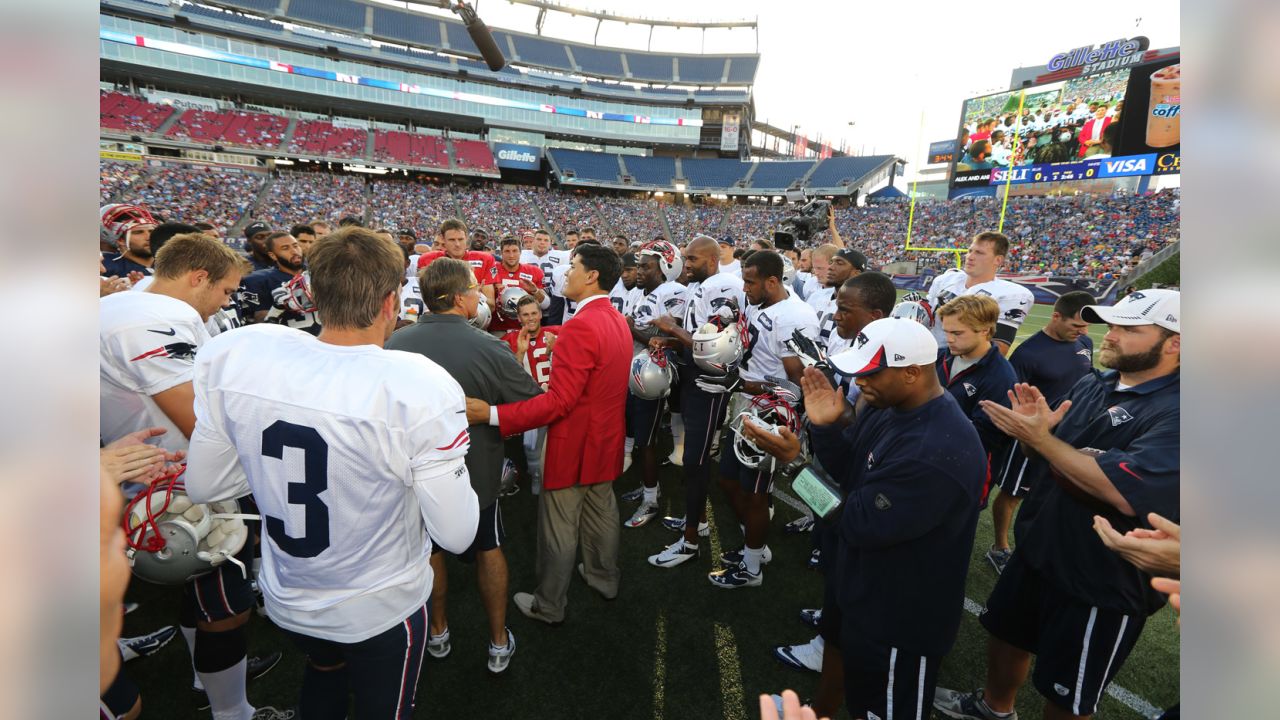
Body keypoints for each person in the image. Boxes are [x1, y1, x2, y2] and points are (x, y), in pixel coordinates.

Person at [184, 227, 481, 718]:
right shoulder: (415, 385)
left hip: (289, 594)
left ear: (314, 295)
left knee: (322, 673)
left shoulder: (242, 355)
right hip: (378, 603)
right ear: (391, 303)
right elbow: (457, 533)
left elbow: (207, 484)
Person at [934, 289, 1180, 720]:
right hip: (1040, 543)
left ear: (1176, 342)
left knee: (1069, 694)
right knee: (1005, 634)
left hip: (1101, 575)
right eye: (1113, 324)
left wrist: (1043, 440)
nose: (1111, 335)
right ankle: (994, 708)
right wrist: (1040, 438)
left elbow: (1120, 489)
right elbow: (1052, 455)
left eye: (1129, 328)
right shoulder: (1097, 381)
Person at [746, 318, 986, 720]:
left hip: (901, 617)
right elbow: (851, 474)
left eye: (871, 371)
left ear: (912, 372)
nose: (860, 381)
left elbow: (855, 520)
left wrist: (794, 466)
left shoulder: (934, 450)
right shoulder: (892, 408)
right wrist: (824, 429)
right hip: (869, 589)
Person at [100, 232, 284, 720]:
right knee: (226, 609)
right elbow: (198, 421)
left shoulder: (135, 301)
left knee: (199, 593)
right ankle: (232, 709)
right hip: (181, 478)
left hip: (154, 471)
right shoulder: (151, 320)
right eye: (224, 291)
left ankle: (207, 680)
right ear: (196, 277)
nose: (225, 302)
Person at [387, 257, 543, 675]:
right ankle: (496, 640)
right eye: (474, 289)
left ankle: (437, 631)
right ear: (459, 298)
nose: (480, 295)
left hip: (413, 469)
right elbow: (530, 401)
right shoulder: (487, 344)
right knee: (488, 547)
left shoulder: (394, 343)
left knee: (430, 551)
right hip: (474, 468)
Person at [464, 244, 632, 625]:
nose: (565, 273)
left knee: (558, 528)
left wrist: (491, 413)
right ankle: (604, 578)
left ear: (591, 276)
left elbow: (558, 403)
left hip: (573, 443)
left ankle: (550, 604)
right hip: (606, 437)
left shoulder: (582, 326)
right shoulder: (615, 318)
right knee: (602, 512)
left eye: (573, 266)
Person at [698, 250, 818, 588]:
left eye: (750, 282)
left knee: (755, 493)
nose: (744, 288)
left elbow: (800, 383)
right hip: (748, 403)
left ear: (772, 281)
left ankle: (752, 568)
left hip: (772, 411)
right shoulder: (761, 302)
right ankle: (757, 548)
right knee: (728, 480)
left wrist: (743, 383)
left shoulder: (795, 316)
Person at [644, 235, 745, 567]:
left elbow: (714, 346)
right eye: (685, 259)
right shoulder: (701, 285)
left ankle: (690, 542)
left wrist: (671, 326)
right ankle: (697, 521)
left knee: (695, 460)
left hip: (708, 383)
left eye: (693, 260)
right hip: (692, 377)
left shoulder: (723, 285)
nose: (685, 266)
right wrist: (671, 341)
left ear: (713, 260)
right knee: (692, 459)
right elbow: (695, 337)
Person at [987, 291, 1095, 573]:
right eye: (1076, 325)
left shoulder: (1085, 342)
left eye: (1085, 327)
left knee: (1053, 490)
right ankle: (999, 547)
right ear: (1056, 316)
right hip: (1031, 435)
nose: (1082, 332)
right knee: (1014, 492)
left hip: (1069, 433)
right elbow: (1011, 397)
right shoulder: (1029, 353)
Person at [619, 241, 688, 527]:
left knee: (647, 442)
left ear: (665, 268)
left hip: (654, 375)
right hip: (636, 370)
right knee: (638, 435)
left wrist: (632, 327)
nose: (638, 271)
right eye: (639, 265)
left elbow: (674, 341)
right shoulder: (643, 293)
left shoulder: (673, 292)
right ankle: (650, 488)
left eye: (646, 266)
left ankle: (651, 501)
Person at [935, 295, 1018, 507]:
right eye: (946, 332)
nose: (949, 339)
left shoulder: (1001, 377)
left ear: (984, 330)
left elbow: (984, 438)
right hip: (931, 460)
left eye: (957, 333)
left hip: (965, 472)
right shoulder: (939, 357)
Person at [926, 232, 1035, 355]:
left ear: (998, 260)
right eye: (970, 251)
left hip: (960, 366)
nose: (970, 256)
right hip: (926, 357)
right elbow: (926, 319)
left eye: (979, 253)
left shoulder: (1009, 295)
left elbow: (998, 349)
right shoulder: (946, 280)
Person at [416, 218, 498, 311]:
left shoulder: (484, 260)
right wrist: (469, 293)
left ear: (466, 238)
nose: (457, 244)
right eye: (452, 240)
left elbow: (491, 305)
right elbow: (423, 299)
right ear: (443, 239)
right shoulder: (427, 260)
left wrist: (478, 296)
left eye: (460, 239)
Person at [490, 236, 549, 336]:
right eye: (507, 251)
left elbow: (546, 305)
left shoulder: (534, 271)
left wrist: (535, 291)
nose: (511, 255)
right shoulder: (492, 270)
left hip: (526, 328)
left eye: (515, 251)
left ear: (520, 252)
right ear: (501, 253)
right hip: (498, 328)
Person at [521, 228, 572, 324]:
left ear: (550, 243)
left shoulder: (562, 256)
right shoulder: (521, 255)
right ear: (533, 241)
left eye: (546, 240)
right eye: (539, 239)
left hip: (552, 304)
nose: (542, 243)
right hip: (528, 302)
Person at [101, 203, 158, 280]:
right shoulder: (104, 265)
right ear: (121, 240)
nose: (149, 237)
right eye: (138, 232)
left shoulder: (173, 262)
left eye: (151, 231)